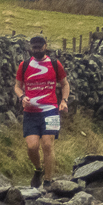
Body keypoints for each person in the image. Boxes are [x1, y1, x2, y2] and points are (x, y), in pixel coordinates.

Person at [14, 35, 69, 188]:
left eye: (39, 47)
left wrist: (63, 101)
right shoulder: (24, 65)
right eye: (34, 48)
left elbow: (65, 84)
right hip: (30, 112)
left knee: (47, 145)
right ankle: (38, 169)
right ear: (30, 48)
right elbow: (17, 86)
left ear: (45, 46)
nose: (37, 50)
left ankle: (48, 180)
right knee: (32, 146)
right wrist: (22, 96)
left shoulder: (54, 64)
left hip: (50, 110)